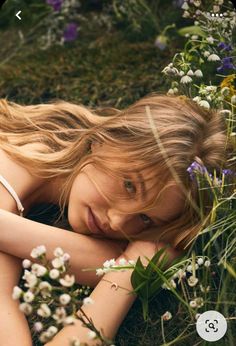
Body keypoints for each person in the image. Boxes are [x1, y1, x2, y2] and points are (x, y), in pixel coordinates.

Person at [0, 93, 232, 345]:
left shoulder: (53, 147)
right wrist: (130, 268)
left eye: (145, 219)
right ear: (105, 139)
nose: (119, 222)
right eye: (130, 186)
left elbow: (97, 262)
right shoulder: (10, 169)